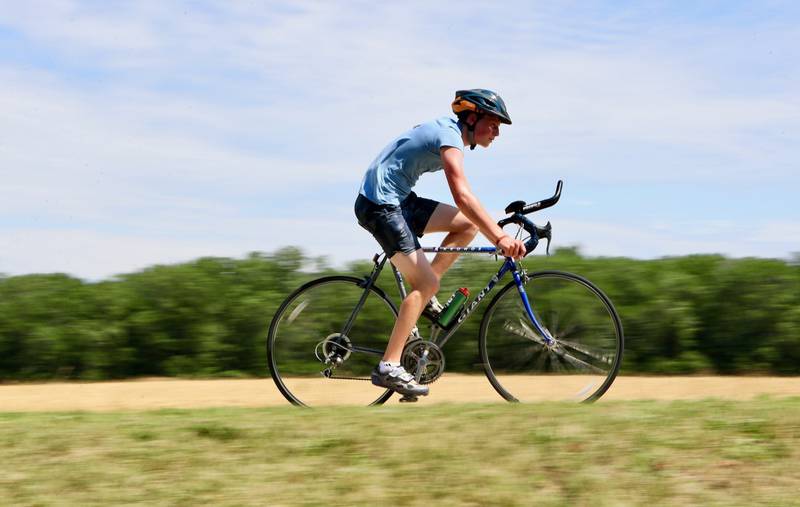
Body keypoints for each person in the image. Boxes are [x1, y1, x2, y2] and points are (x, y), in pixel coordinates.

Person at [354, 89, 526, 398]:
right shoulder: (450, 135)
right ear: (472, 118)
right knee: (426, 282)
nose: (497, 133)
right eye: (494, 124)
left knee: (467, 226)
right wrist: (499, 237)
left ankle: (427, 298)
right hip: (381, 205)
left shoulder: (450, 131)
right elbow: (461, 194)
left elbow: (465, 209)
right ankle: (388, 366)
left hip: (400, 200)